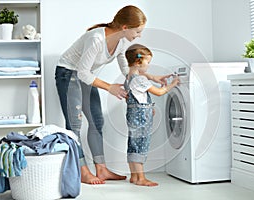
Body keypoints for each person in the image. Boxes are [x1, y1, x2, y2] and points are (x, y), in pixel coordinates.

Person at [55, 5, 170, 185]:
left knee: (97, 121)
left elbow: (127, 70)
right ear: (125, 27)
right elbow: (83, 73)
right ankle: (82, 170)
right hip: (69, 73)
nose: (139, 36)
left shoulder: (123, 41)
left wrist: (151, 77)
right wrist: (110, 87)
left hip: (85, 75)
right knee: (75, 124)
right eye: (138, 31)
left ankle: (101, 169)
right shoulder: (96, 39)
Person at [124, 44, 179, 186]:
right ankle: (141, 178)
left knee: (133, 143)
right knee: (141, 144)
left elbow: (138, 95)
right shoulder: (139, 79)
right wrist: (173, 84)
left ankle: (134, 176)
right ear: (138, 62)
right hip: (141, 115)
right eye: (148, 62)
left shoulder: (129, 76)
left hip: (133, 113)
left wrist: (149, 106)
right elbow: (160, 92)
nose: (148, 65)